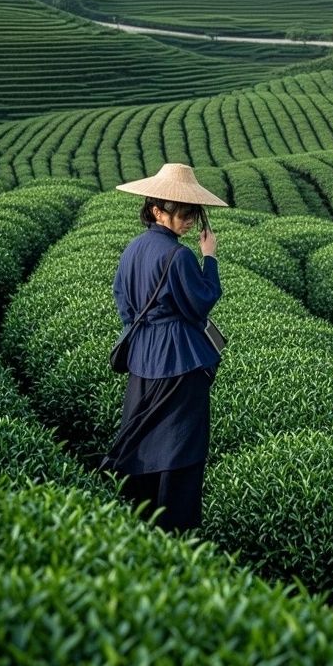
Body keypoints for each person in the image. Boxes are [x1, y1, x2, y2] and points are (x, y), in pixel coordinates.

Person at [99, 162, 229, 535]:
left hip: (143, 358)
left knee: (142, 441)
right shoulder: (180, 256)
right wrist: (210, 257)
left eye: (192, 214)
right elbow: (201, 302)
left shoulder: (133, 249)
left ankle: (139, 520)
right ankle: (176, 529)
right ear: (157, 210)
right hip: (180, 363)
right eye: (182, 213)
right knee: (181, 447)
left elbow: (124, 303)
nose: (188, 221)